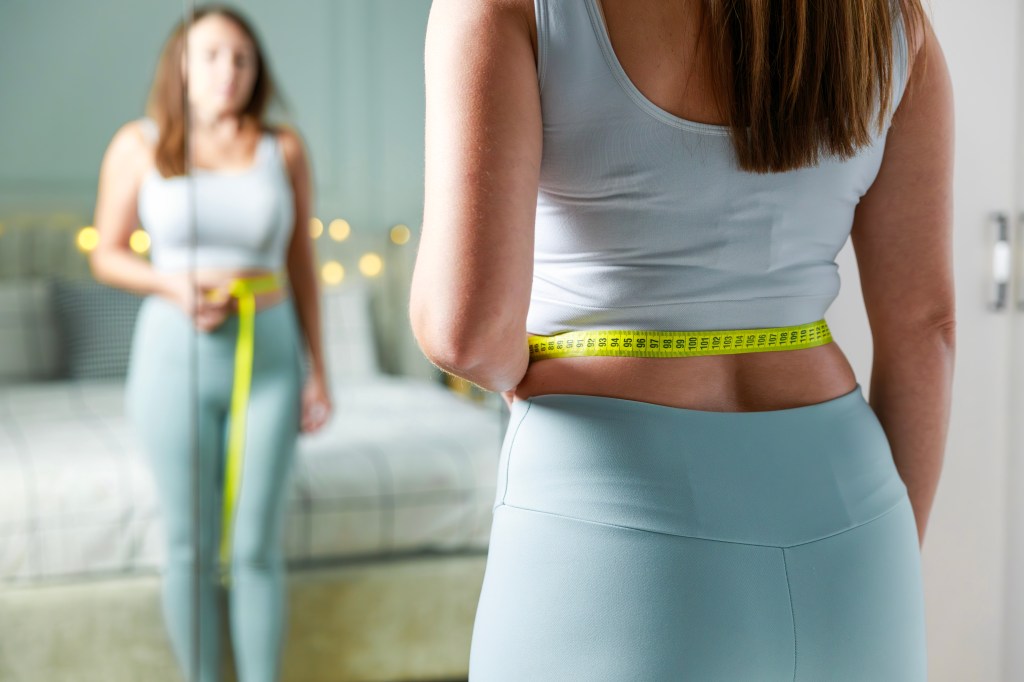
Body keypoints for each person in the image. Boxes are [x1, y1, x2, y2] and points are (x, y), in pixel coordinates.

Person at [412, 0, 953, 679]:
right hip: (854, 525)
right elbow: (926, 329)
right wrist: (887, 552)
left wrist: (541, 366)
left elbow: (466, 332)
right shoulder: (889, 20)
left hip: (606, 510)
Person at [89, 6, 332, 681]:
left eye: (242, 57)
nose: (229, 70)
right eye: (213, 55)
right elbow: (106, 255)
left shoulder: (282, 149)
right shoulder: (139, 145)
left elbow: (301, 266)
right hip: (172, 357)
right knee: (189, 546)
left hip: (273, 358)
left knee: (255, 545)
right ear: (181, 66)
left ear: (257, 71)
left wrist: (320, 372)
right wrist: (173, 285)